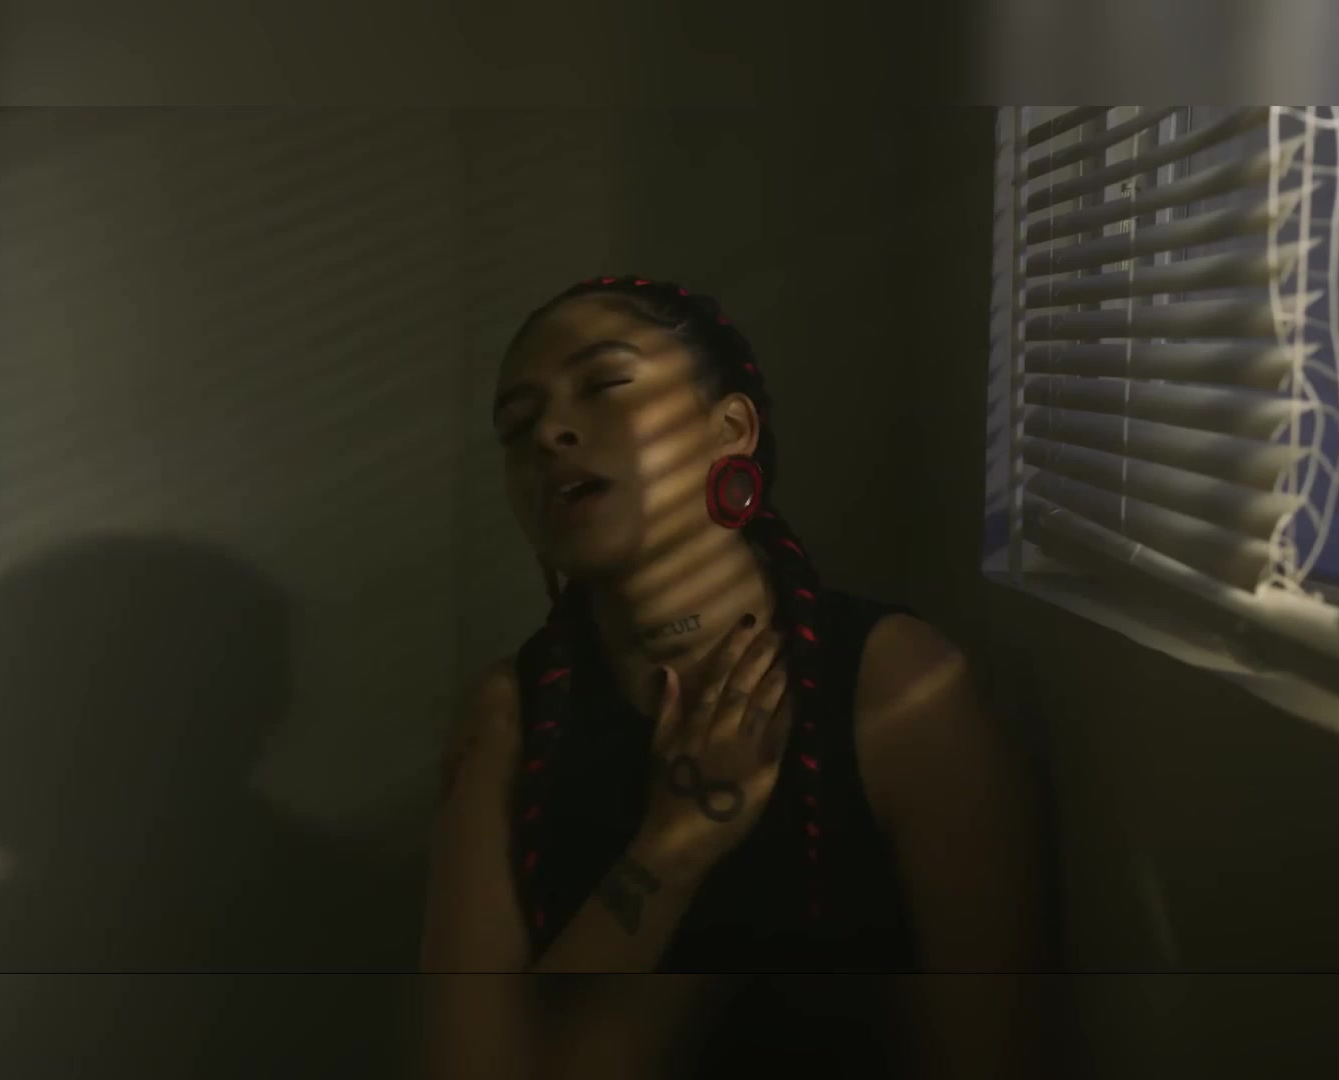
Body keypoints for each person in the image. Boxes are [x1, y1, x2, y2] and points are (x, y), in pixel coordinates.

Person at [419, 276, 1046, 1079]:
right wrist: (674, 847)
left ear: (731, 430)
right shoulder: (507, 718)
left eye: (603, 383)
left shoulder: (898, 689)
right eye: (517, 425)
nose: (548, 433)